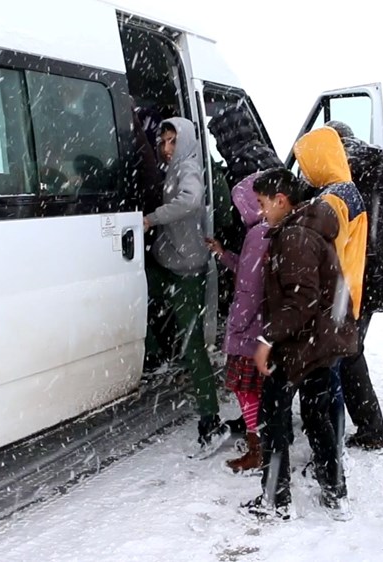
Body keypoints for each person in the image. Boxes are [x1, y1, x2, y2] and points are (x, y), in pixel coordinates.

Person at [242, 168, 357, 521]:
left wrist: (267, 339)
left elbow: (300, 302)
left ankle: (276, 500)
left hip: (301, 345)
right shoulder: (307, 227)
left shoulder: (294, 237)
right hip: (323, 341)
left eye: (263, 204)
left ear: (281, 200)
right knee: (316, 415)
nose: (261, 212)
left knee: (273, 419)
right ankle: (335, 491)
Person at [324, 120, 383, 450]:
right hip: (380, 271)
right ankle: (364, 424)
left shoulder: (329, 165)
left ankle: (371, 428)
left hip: (349, 271)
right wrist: (380, 232)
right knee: (351, 345)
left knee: (348, 349)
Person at [143, 117, 229, 454]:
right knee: (140, 292)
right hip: (168, 263)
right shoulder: (176, 167)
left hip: (186, 270)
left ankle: (211, 420)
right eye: (163, 142)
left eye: (172, 141)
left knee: (194, 346)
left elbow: (191, 200)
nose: (166, 149)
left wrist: (152, 218)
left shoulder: (189, 168)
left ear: (188, 142)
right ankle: (154, 352)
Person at [292, 126, 367, 444]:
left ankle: (329, 451)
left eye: (306, 162)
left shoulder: (332, 200)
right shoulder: (348, 190)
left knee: (326, 388)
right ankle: (332, 447)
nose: (304, 172)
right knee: (331, 379)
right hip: (345, 300)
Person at [205, 172, 269, 473]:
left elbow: (248, 287)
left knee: (247, 391)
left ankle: (257, 448)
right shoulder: (268, 229)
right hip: (264, 327)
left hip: (251, 332)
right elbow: (249, 270)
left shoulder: (257, 235)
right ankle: (263, 442)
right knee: (260, 390)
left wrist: (237, 326)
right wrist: (224, 254)